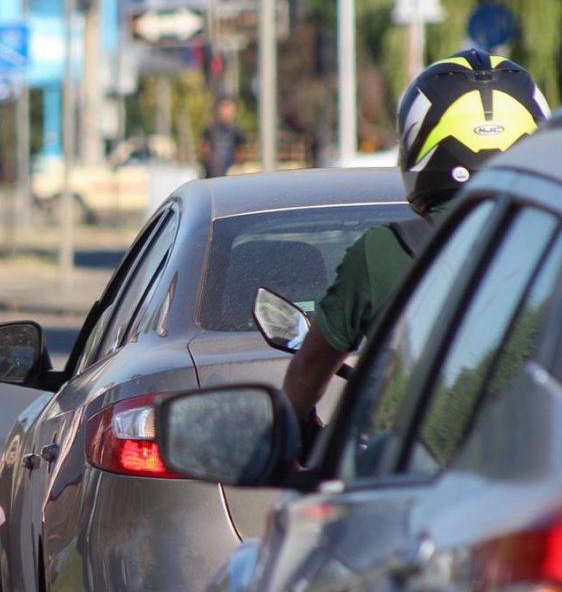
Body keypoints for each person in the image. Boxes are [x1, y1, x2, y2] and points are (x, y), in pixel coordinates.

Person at [282, 50, 549, 451]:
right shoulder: (552, 245)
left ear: (418, 138)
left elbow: (305, 380)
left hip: (418, 489)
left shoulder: (382, 252)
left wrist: (296, 434)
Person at [198, 96, 246, 178]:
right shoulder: (210, 130)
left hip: (230, 176)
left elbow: (240, 153)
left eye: (229, 108)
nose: (226, 111)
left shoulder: (236, 131)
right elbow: (204, 152)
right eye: (224, 108)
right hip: (212, 176)